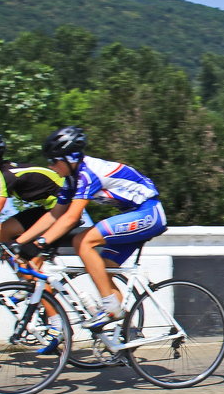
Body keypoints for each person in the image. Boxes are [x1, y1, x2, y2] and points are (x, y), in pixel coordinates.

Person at [15, 126, 168, 345]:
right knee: (102, 270)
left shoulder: (88, 173)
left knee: (83, 241)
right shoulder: (71, 178)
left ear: (70, 158)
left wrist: (39, 243)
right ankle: (125, 337)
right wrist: (22, 243)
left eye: (53, 161)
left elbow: (70, 218)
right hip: (134, 215)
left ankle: (110, 306)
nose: (50, 166)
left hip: (149, 213)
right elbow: (55, 214)